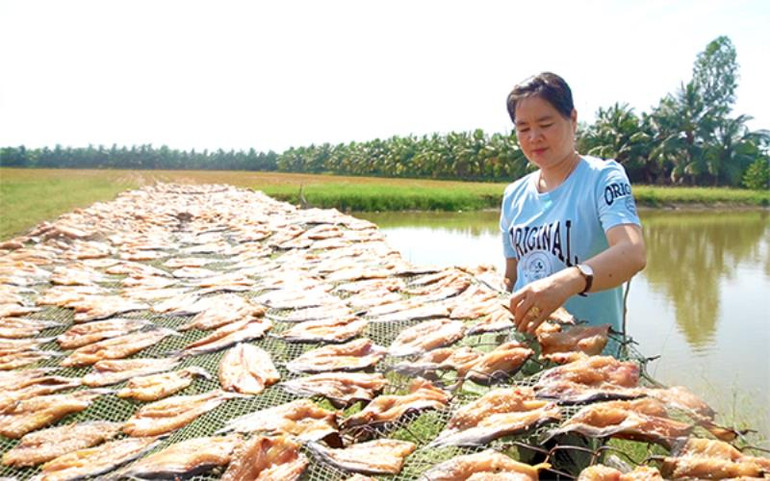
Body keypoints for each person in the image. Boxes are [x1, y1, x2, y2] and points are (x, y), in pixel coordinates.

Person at [500, 72, 646, 335]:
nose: (534, 137)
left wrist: (568, 281)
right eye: (523, 129)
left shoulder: (603, 178)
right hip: (527, 346)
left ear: (573, 119)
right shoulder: (514, 196)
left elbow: (632, 252)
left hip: (591, 356)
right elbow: (512, 277)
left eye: (545, 124)